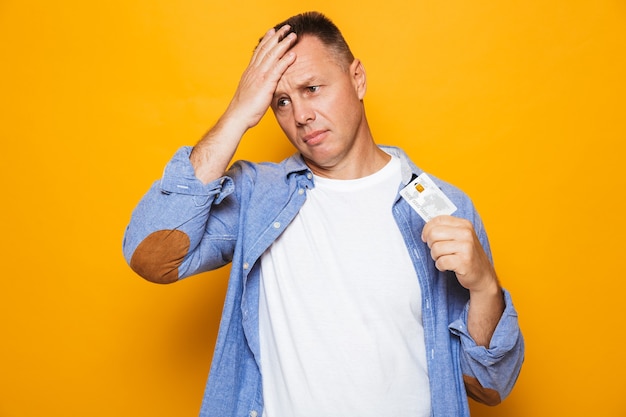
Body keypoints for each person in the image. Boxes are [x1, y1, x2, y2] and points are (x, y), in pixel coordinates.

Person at [123, 11, 524, 417]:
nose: (300, 115)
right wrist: (239, 114)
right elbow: (150, 257)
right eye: (281, 101)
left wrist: (485, 288)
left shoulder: (442, 206)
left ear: (358, 78)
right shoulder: (257, 198)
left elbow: (487, 388)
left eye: (312, 88)